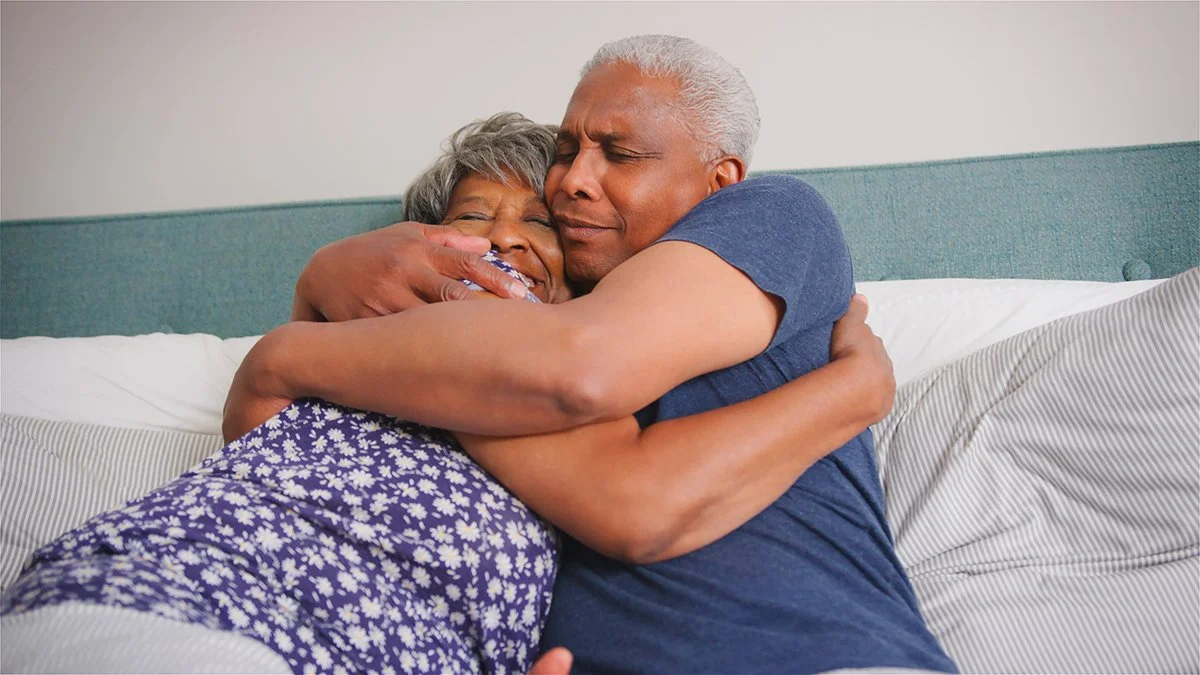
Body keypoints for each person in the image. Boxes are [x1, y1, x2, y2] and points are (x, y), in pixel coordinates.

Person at [1, 112, 889, 674]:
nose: (504, 237)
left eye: (539, 224)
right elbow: (252, 435)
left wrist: (857, 385)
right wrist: (311, 312)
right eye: (471, 217)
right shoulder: (342, 354)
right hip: (153, 597)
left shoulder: (578, 405)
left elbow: (631, 489)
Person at [225, 35, 957, 673]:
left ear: (718, 179)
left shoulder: (774, 215)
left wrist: (298, 344)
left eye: (622, 153)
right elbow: (618, 496)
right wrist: (321, 283)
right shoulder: (514, 343)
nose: (572, 178)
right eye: (567, 150)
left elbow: (588, 371)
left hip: (821, 653)